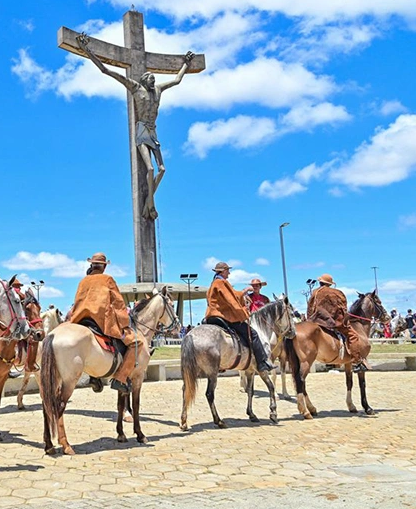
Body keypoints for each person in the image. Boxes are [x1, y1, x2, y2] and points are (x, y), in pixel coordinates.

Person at [76, 32, 195, 220]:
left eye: (154, 78)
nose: (153, 79)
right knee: (149, 169)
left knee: (162, 169)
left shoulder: (158, 90)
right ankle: (151, 203)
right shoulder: (135, 88)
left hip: (153, 130)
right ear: (143, 79)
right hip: (141, 131)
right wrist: (87, 50)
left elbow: (177, 80)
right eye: (149, 77)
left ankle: (149, 200)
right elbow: (107, 71)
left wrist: (186, 64)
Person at [69, 252, 149, 394]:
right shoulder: (108, 279)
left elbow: (77, 302)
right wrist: (124, 322)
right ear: (104, 267)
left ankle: (94, 376)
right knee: (135, 343)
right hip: (101, 322)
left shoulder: (83, 281)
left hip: (80, 321)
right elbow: (118, 303)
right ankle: (121, 378)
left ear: (91, 265)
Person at [205, 262, 273, 372]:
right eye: (227, 271)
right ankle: (262, 363)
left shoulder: (214, 283)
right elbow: (232, 301)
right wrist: (243, 314)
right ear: (222, 271)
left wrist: (245, 291)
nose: (229, 273)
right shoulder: (221, 282)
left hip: (211, 315)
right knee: (253, 334)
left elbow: (234, 295)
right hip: (222, 315)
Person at [307, 273, 368, 371]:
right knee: (353, 336)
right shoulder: (337, 293)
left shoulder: (314, 292)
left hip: (315, 320)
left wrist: (310, 320)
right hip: (332, 322)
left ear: (320, 282)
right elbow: (341, 308)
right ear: (330, 284)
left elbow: (310, 308)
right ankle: (357, 362)